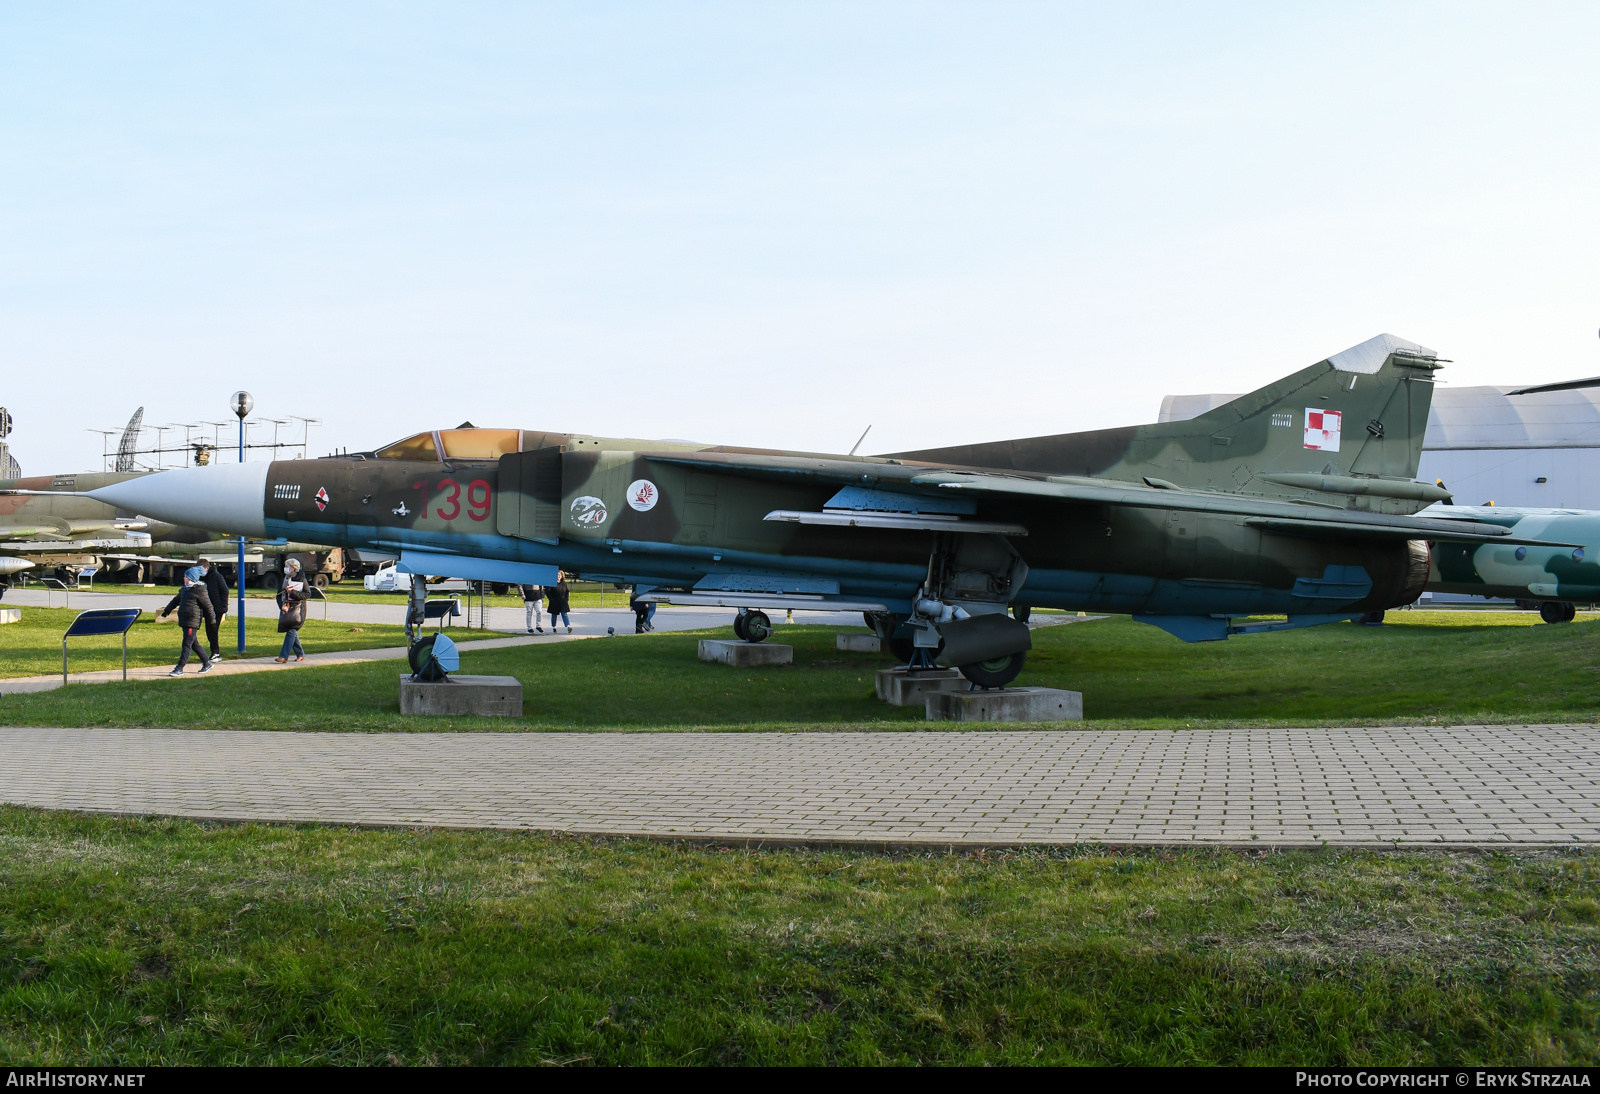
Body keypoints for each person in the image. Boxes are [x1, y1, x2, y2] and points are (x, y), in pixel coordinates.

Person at [159, 567, 216, 676]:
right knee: (194, 644)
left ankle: (179, 668)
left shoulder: (200, 590)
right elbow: (175, 600)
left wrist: (212, 621)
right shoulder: (185, 590)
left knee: (186, 644)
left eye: (185, 576)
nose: (183, 578)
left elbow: (208, 607)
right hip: (184, 620)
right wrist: (167, 610)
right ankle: (207, 663)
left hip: (192, 621)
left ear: (190, 578)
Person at [275, 557, 309, 663]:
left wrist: (292, 592)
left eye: (287, 566)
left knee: (292, 631)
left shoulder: (301, 579)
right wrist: (281, 605)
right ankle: (300, 654)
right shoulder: (284, 579)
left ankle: (283, 656)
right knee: (292, 632)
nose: (285, 568)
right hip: (287, 610)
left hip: (298, 611)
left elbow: (307, 594)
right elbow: (278, 595)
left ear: (293, 568)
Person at [198, 558, 230, 663]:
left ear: (206, 568)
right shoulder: (204, 577)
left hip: (217, 608)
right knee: (209, 630)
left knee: (213, 630)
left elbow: (225, 590)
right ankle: (214, 652)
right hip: (208, 608)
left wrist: (222, 606)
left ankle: (216, 653)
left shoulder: (216, 576)